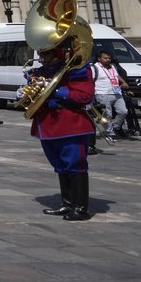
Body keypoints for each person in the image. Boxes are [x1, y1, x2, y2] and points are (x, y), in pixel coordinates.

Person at [32, 35, 97, 221]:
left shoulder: (77, 69)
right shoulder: (42, 72)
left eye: (46, 54)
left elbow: (84, 97)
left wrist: (56, 90)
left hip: (70, 123)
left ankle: (81, 207)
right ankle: (67, 204)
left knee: (75, 164)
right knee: (60, 165)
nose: (42, 58)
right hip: (48, 124)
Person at [92, 51, 127, 140]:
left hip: (116, 93)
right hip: (102, 93)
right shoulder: (94, 67)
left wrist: (123, 82)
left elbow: (116, 75)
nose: (108, 60)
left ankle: (115, 127)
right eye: (105, 58)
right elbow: (91, 80)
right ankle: (110, 132)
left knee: (123, 111)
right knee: (107, 115)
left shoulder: (112, 66)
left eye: (109, 58)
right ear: (99, 59)